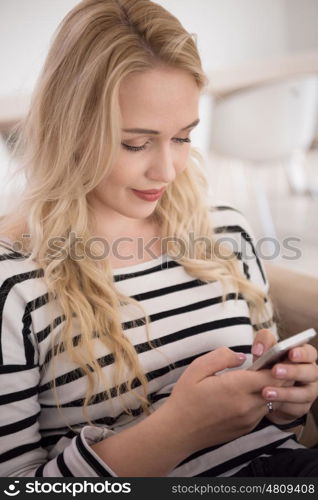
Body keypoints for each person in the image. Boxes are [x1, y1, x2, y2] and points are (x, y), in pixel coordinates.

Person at [0, 0, 318, 478]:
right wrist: (176, 431)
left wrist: (284, 403)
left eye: (184, 137)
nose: (166, 170)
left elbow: (274, 432)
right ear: (70, 130)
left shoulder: (226, 232)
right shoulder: (15, 283)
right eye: (135, 143)